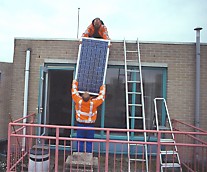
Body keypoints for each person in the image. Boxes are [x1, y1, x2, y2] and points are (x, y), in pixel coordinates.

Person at [71, 79, 106, 153]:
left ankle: (79, 156)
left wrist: (75, 82)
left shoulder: (78, 101)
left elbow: (74, 92)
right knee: (89, 142)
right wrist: (102, 87)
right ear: (90, 97)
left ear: (82, 97)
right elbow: (101, 97)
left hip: (80, 125)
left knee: (80, 141)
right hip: (90, 126)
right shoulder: (93, 103)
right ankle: (88, 156)